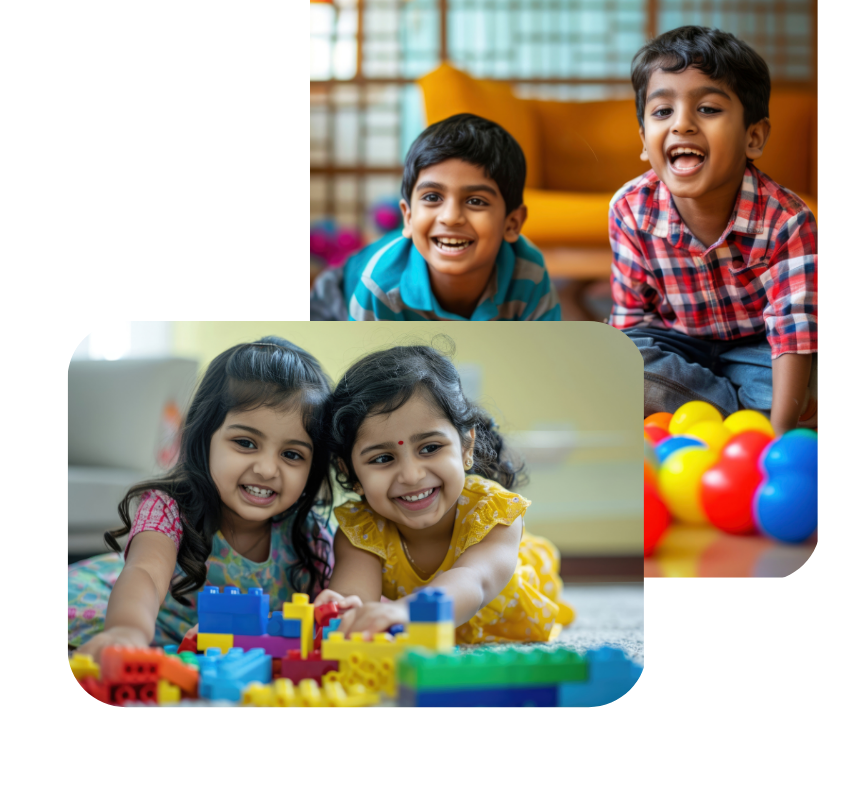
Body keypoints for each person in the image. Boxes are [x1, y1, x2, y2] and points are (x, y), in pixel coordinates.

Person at [68, 337, 335, 663]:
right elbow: (146, 573)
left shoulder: (309, 535)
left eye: (292, 454)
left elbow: (331, 610)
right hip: (150, 626)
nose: (266, 469)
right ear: (204, 437)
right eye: (246, 443)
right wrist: (127, 631)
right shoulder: (169, 508)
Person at [608, 26, 818, 436]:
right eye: (662, 111)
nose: (681, 125)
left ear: (753, 137)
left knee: (801, 382)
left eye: (707, 109)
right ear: (643, 141)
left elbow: (793, 335)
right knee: (608, 359)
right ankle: (734, 412)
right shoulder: (629, 209)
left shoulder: (787, 220)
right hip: (678, 346)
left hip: (761, 347)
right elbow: (631, 323)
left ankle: (721, 416)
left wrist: (775, 440)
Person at [313, 340, 575, 643]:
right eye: (383, 459)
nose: (411, 475)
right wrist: (344, 611)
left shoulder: (493, 515)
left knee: (545, 584)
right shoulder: (362, 530)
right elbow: (354, 594)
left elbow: (473, 581)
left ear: (466, 446)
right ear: (351, 473)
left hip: (507, 593)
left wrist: (408, 613)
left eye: (430, 448)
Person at [310, 113, 560, 320]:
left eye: (476, 201)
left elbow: (545, 359)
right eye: (432, 197)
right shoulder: (380, 285)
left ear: (512, 223)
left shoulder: (529, 272)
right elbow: (366, 374)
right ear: (407, 217)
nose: (451, 218)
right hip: (337, 305)